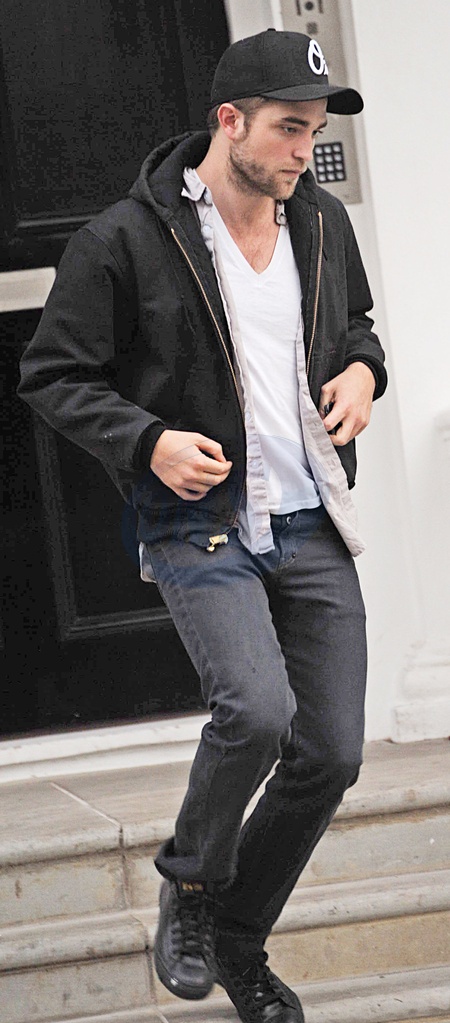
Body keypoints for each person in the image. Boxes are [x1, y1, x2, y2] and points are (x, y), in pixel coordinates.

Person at [18, 29, 387, 1023]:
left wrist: (364, 372)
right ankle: (191, 880)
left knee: (333, 753)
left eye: (315, 130)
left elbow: (355, 328)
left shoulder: (319, 223)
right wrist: (147, 442)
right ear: (229, 122)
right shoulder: (125, 239)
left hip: (310, 517)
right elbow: (52, 375)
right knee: (257, 711)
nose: (306, 150)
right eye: (289, 129)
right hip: (201, 521)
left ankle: (237, 935)